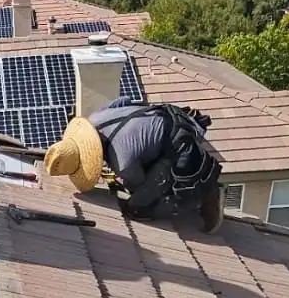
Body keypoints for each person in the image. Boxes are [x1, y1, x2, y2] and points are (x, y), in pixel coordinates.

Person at [43, 98, 224, 233]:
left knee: (138, 206)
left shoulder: (122, 161)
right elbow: (123, 101)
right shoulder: (96, 117)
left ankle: (208, 193)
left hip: (179, 143)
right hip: (172, 114)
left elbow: (141, 185)